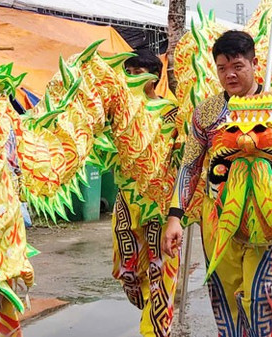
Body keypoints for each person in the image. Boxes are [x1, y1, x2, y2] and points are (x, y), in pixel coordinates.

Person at [161, 30, 272, 336]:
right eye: (222, 68)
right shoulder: (206, 113)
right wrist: (175, 216)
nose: (229, 74)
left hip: (269, 219)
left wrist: (265, 151)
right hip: (218, 220)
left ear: (255, 63)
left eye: (238, 66)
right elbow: (190, 165)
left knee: (262, 300)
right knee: (226, 303)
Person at [114, 50, 180, 337]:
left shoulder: (172, 112)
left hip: (162, 200)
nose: (130, 78)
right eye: (128, 72)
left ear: (155, 77)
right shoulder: (119, 113)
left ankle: (154, 330)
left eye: (137, 73)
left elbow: (182, 158)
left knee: (160, 269)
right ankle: (147, 307)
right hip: (128, 201)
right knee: (127, 272)